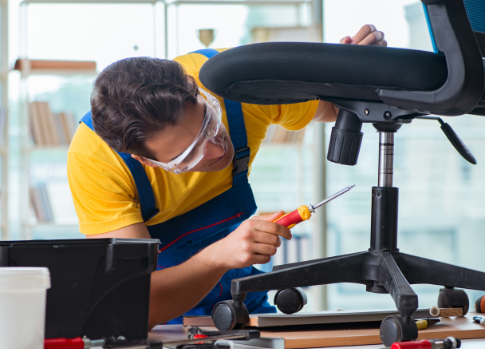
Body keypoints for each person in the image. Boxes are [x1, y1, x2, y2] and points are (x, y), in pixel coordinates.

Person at [68, 25, 387, 329]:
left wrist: (360, 70)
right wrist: (220, 255)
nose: (215, 151)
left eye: (209, 123)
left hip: (244, 305)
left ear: (197, 91)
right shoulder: (97, 162)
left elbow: (334, 106)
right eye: (186, 156)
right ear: (144, 160)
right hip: (166, 326)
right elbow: (134, 306)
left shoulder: (234, 81)